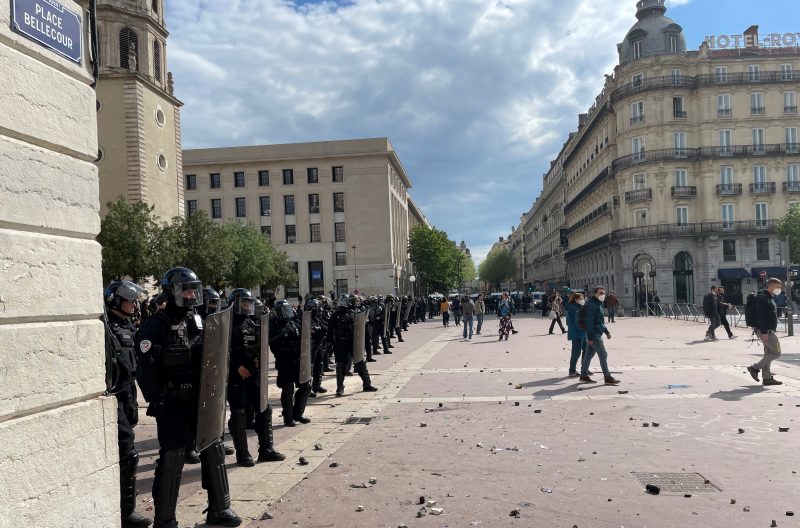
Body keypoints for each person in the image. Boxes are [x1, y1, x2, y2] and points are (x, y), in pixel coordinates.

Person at [135, 268, 242, 528]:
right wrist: (156, 398)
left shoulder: (198, 320)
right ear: (172, 292)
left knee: (213, 450)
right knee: (173, 458)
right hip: (171, 403)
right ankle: (165, 519)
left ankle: (219, 508)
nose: (192, 294)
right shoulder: (156, 325)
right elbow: (144, 366)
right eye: (186, 289)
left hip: (199, 400)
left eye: (194, 288)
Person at [103, 281, 151, 528]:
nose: (133, 305)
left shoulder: (127, 326)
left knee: (125, 452)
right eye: (129, 301)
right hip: (114, 397)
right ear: (114, 300)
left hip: (129, 396)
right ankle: (125, 512)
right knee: (127, 453)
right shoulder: (105, 328)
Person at [227, 289, 285, 466]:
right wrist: (237, 367)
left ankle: (266, 449)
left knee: (264, 409)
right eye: (243, 302)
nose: (246, 306)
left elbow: (260, 344)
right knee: (239, 413)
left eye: (248, 302)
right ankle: (242, 454)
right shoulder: (227, 324)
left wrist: (260, 358)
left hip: (253, 374)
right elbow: (221, 351)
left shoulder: (252, 323)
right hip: (236, 377)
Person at [270, 299, 312, 427]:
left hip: (298, 361)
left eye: (287, 309)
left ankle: (297, 413)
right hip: (285, 362)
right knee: (288, 389)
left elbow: (304, 337)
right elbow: (274, 346)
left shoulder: (294, 322)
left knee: (306, 386)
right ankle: (288, 418)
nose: (286, 313)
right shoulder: (274, 325)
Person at [328, 295, 379, 396]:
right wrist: (332, 343)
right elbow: (330, 330)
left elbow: (360, 326)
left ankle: (367, 384)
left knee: (360, 362)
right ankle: (340, 387)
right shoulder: (336, 314)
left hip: (353, 341)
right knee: (340, 365)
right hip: (341, 342)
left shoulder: (354, 313)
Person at [579, 286, 620, 386]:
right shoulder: (593, 305)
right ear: (595, 294)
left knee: (589, 355)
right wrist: (590, 337)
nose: (603, 295)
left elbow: (599, 321)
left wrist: (606, 331)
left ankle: (583, 375)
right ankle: (607, 377)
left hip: (596, 333)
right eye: (600, 293)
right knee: (603, 354)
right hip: (594, 334)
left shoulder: (598, 304)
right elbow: (589, 322)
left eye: (604, 293)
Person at [747, 278, 784, 386]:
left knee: (768, 354)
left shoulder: (768, 297)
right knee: (777, 353)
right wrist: (763, 332)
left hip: (767, 330)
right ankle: (754, 368)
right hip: (766, 331)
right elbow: (760, 316)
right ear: (771, 286)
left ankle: (767, 378)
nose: (779, 289)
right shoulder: (763, 298)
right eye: (778, 287)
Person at [564, 292, 588, 378]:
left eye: (583, 298)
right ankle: (572, 370)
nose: (583, 300)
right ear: (576, 299)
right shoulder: (573, 308)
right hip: (577, 333)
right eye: (581, 299)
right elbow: (575, 322)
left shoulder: (579, 307)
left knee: (586, 350)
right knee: (576, 352)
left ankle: (584, 368)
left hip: (582, 332)